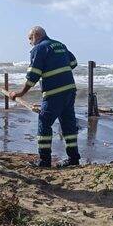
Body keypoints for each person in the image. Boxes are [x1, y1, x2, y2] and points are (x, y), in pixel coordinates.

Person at [9, 26, 79, 168]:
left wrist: (20, 93)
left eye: (30, 39)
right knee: (68, 124)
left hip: (54, 93)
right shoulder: (60, 44)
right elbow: (73, 63)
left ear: (35, 35)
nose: (30, 43)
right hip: (70, 90)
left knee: (44, 123)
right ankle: (73, 159)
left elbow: (33, 76)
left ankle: (44, 161)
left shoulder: (39, 49)